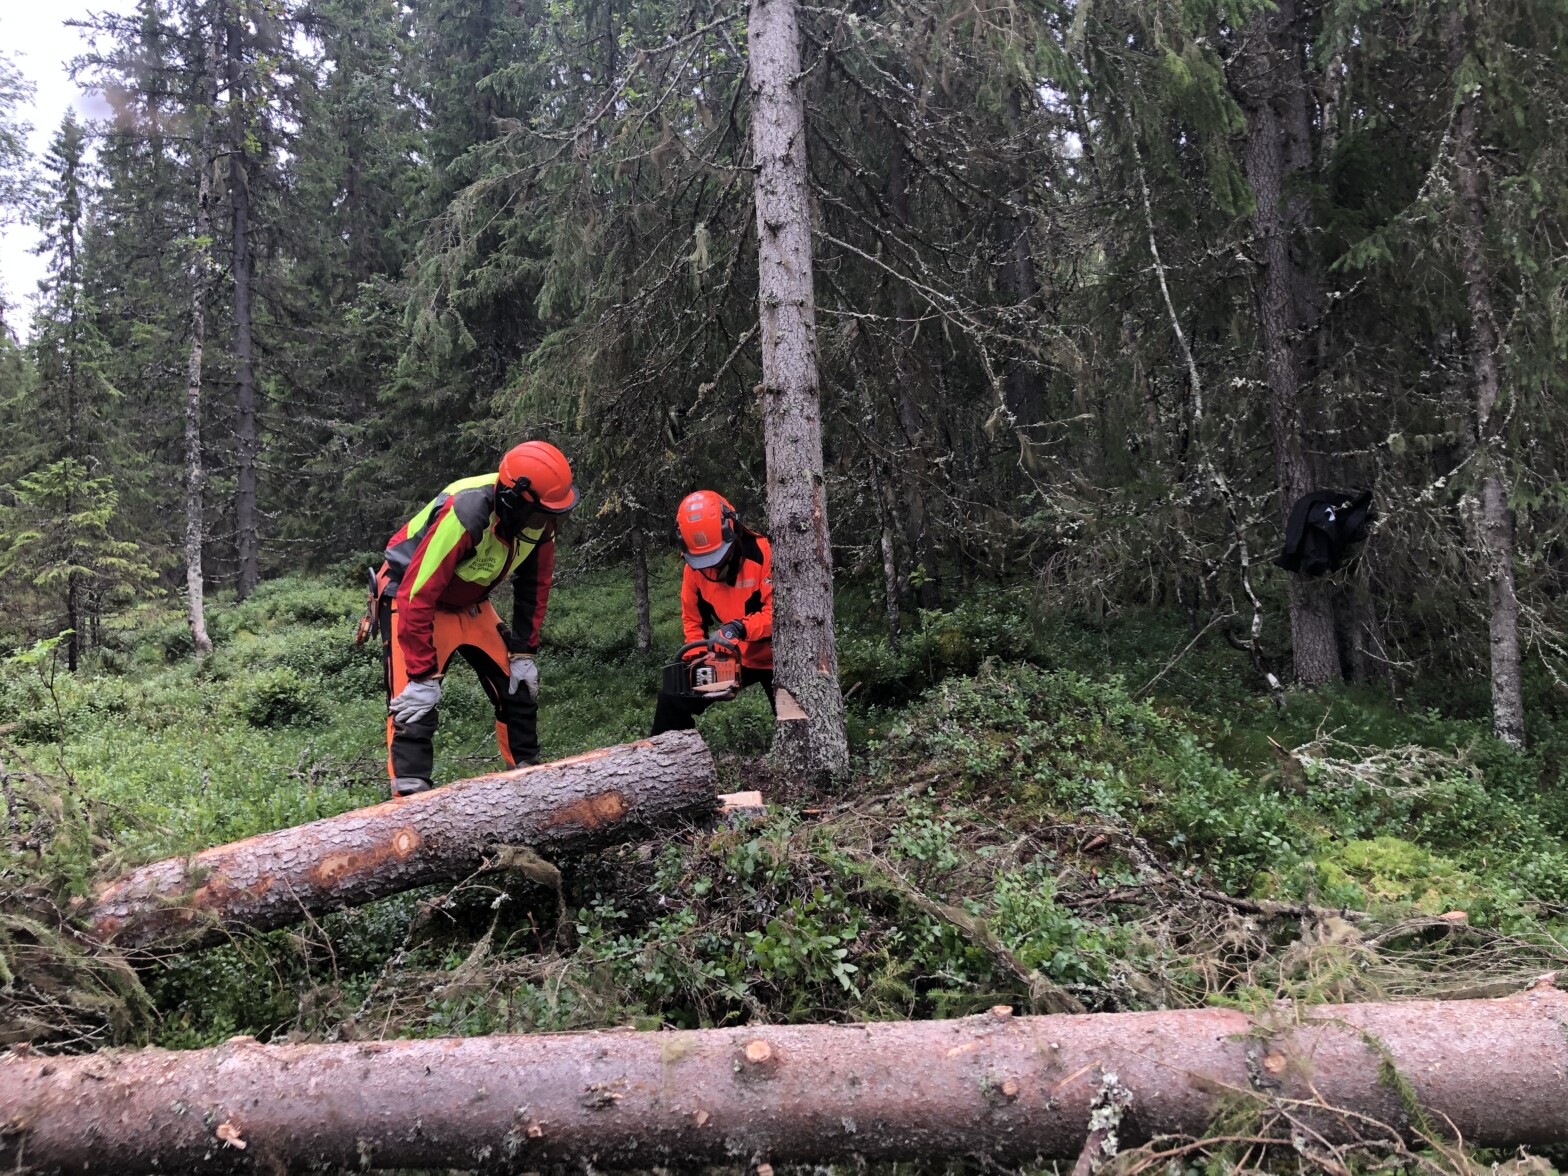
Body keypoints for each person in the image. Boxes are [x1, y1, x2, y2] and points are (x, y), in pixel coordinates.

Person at [375, 441, 578, 796]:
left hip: (469, 601)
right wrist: (421, 675)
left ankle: (529, 787)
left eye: (553, 514)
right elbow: (416, 593)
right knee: (414, 708)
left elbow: (534, 585)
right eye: (541, 514)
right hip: (410, 596)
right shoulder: (466, 513)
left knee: (517, 688)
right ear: (514, 501)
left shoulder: (539, 523)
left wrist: (524, 652)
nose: (547, 523)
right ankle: (409, 805)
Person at [650, 490, 775, 735]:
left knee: (795, 720)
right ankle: (667, 754)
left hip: (777, 658)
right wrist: (697, 657)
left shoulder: (763, 553)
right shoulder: (694, 569)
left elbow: (778, 614)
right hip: (733, 659)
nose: (712, 567)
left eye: (717, 558)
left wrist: (738, 628)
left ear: (731, 529)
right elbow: (692, 620)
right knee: (672, 697)